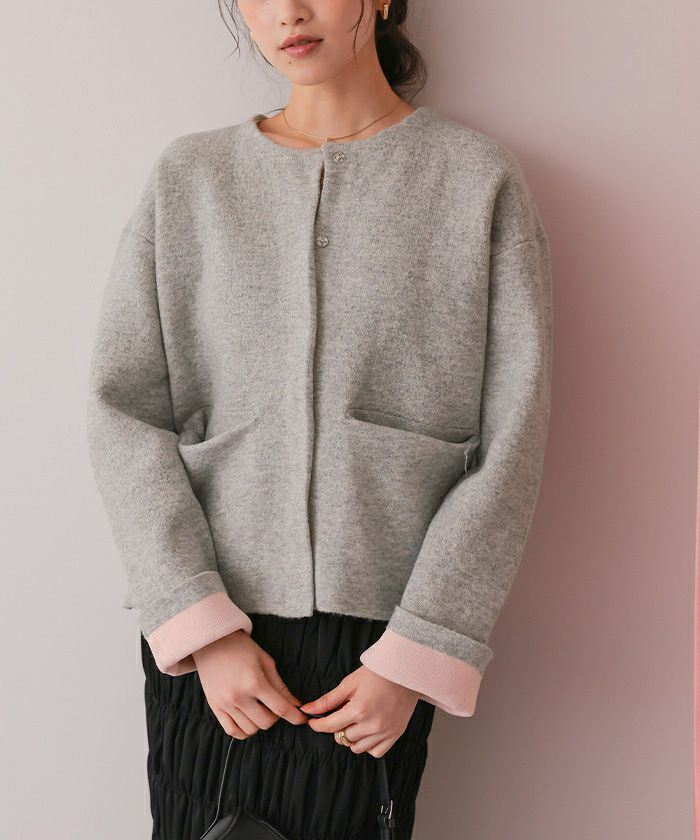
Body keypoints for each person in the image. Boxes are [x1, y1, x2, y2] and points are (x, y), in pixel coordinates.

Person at [86, 1, 553, 839]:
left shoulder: (473, 179)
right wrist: (200, 629)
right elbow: (123, 410)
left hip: (378, 649)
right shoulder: (192, 178)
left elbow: (512, 439)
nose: (289, 12)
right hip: (211, 641)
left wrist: (416, 654)